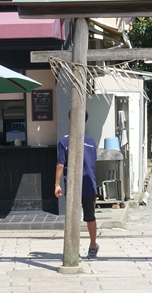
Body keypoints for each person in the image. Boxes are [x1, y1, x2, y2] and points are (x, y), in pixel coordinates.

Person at [54, 111, 99, 259]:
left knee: (73, 217)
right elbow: (92, 164)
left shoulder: (64, 142)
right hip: (89, 184)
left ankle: (73, 249)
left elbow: (60, 165)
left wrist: (57, 184)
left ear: (69, 121)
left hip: (72, 185)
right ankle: (93, 246)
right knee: (90, 216)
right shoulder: (91, 141)